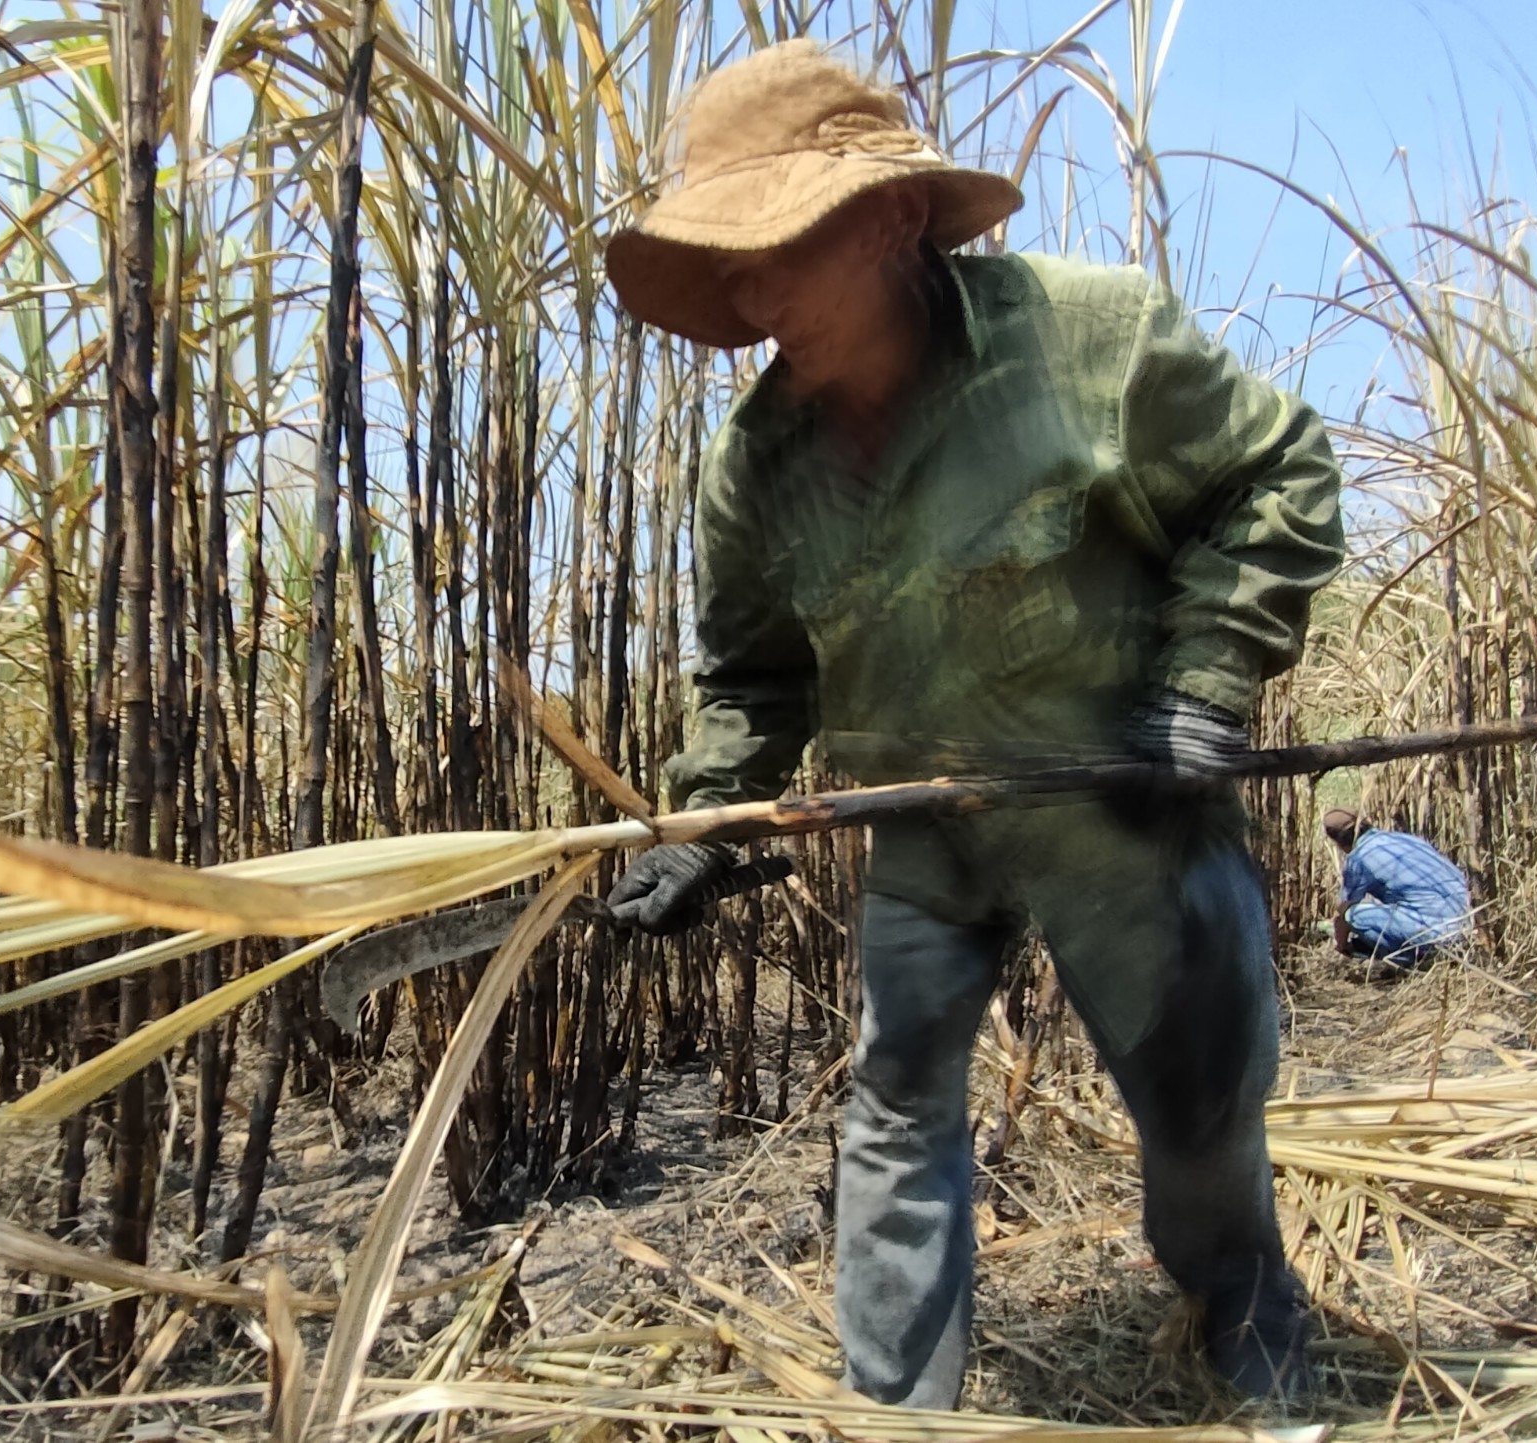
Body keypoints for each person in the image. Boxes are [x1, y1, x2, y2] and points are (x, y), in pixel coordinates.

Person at [597, 44, 1347, 1410]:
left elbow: (1278, 473)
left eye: (777, 247)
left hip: (1119, 809)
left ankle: (1248, 1312)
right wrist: (705, 820)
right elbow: (753, 673)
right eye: (733, 264)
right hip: (923, 831)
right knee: (894, 1106)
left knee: (1196, 1100)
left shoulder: (1090, 339)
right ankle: (896, 1404)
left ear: (888, 220)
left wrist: (1207, 678)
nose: (752, 296)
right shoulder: (756, 464)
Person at [1322, 809, 1470, 972]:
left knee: (1353, 914)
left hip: (1438, 934)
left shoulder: (1358, 858)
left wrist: (1341, 945)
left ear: (1338, 842)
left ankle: (1410, 961)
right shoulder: (1405, 839)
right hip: (1470, 924)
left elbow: (1343, 910)